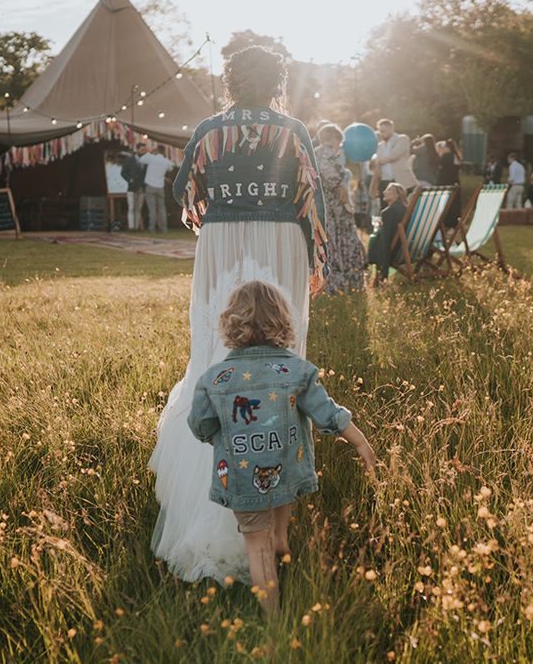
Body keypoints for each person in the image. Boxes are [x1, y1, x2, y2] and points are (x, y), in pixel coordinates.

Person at [149, 46, 327, 583]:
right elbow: (310, 198)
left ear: (230, 83)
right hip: (280, 237)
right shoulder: (292, 129)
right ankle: (276, 497)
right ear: (277, 81)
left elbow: (186, 192)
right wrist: (316, 257)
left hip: (222, 237)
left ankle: (219, 483)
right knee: (281, 352)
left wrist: (223, 211)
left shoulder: (208, 131)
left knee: (216, 350)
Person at [189, 281, 376, 614]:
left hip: (240, 476)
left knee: (255, 545)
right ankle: (282, 539)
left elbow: (199, 424)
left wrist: (218, 436)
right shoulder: (296, 371)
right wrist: (360, 441)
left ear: (232, 322)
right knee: (281, 484)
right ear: (281, 322)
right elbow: (327, 414)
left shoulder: (215, 378)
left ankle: (273, 620)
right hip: (286, 468)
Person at [314, 124, 365, 293]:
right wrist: (346, 201)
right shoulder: (324, 153)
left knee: (338, 241)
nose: (339, 146)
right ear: (334, 139)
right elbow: (333, 180)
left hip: (332, 208)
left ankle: (343, 281)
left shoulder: (321, 154)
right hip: (334, 209)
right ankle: (339, 282)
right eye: (339, 142)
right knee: (338, 242)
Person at [367, 182, 408, 285]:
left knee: (375, 240)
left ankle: (378, 278)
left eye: (389, 190)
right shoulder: (405, 209)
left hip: (394, 253)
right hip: (406, 249)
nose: (384, 192)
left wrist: (384, 271)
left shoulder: (388, 212)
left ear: (397, 195)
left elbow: (386, 241)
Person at [374, 119, 417, 196]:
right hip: (384, 182)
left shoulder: (402, 138)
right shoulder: (379, 146)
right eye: (380, 131)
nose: (381, 134)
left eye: (383, 131)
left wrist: (380, 161)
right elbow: (376, 164)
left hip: (401, 180)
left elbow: (395, 155)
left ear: (391, 129)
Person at [139, 145, 174, 233]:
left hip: (150, 186)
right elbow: (171, 167)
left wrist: (150, 152)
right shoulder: (166, 161)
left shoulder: (151, 158)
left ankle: (152, 228)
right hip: (160, 186)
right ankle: (164, 228)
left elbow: (141, 159)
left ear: (157, 150)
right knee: (162, 208)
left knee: (152, 209)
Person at [121, 142, 148, 230]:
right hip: (131, 187)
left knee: (138, 208)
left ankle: (136, 227)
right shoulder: (129, 160)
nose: (143, 151)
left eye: (144, 150)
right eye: (142, 150)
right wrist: (130, 180)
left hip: (142, 188)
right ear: (137, 150)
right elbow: (123, 172)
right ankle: (131, 227)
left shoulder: (146, 161)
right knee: (131, 207)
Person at [437, 139, 462, 228]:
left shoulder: (447, 156)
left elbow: (440, 165)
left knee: (447, 204)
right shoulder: (457, 156)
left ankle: (447, 222)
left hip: (446, 181)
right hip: (455, 181)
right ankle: (455, 222)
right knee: (455, 204)